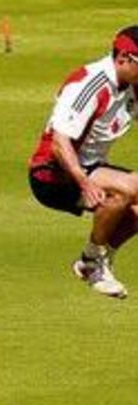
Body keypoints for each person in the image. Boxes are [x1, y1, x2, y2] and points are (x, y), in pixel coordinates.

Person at [28, 26, 138, 299]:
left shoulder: (132, 86)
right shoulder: (90, 84)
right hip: (53, 174)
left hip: (91, 166)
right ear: (124, 58)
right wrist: (83, 181)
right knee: (126, 189)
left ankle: (94, 262)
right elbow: (58, 142)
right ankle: (93, 263)